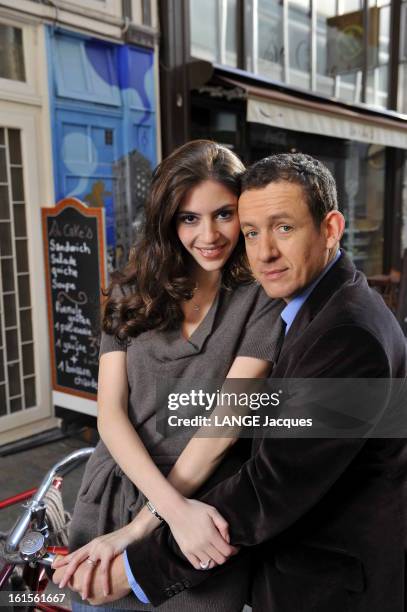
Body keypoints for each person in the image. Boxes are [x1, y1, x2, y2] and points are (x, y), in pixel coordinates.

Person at [54, 153, 407, 612]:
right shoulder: (314, 306)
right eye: (255, 230)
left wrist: (140, 550)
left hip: (299, 558)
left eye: (283, 228)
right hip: (139, 502)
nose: (262, 251)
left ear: (331, 228)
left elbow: (266, 478)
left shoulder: (337, 329)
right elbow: (112, 413)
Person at [54, 140, 283, 611]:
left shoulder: (261, 300)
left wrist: (157, 521)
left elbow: (225, 424)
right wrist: (158, 514)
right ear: (167, 220)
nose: (210, 234)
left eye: (224, 213)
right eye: (189, 218)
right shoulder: (130, 291)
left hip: (200, 513)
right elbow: (111, 416)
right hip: (111, 500)